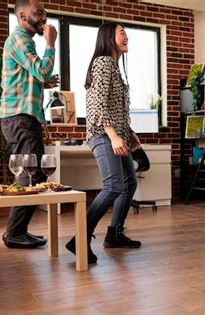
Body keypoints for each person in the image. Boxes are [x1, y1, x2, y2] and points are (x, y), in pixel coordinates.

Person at [65, 22, 142, 264]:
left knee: (129, 183)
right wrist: (114, 135)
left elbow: (114, 106)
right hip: (104, 135)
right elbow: (98, 106)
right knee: (114, 186)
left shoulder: (114, 67)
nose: (126, 36)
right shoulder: (102, 63)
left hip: (116, 134)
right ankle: (80, 239)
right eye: (122, 33)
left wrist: (128, 132)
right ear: (109, 37)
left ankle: (114, 234)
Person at [0, 0, 58, 249]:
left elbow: (29, 78)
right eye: (38, 13)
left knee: (31, 172)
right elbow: (41, 71)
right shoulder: (21, 39)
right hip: (21, 118)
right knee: (32, 174)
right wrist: (51, 44)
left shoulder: (25, 41)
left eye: (44, 13)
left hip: (21, 116)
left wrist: (43, 84)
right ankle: (14, 233)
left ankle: (17, 230)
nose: (43, 18)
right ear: (22, 15)